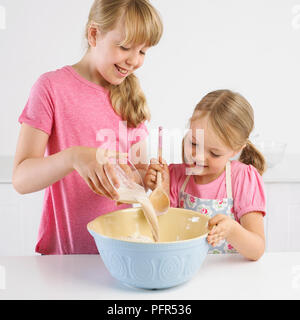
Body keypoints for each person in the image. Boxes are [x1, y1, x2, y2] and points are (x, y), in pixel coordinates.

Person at [12, 0, 163, 255]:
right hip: (68, 259)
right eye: (125, 47)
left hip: (122, 252)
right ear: (94, 34)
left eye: (143, 52)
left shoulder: (131, 98)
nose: (134, 61)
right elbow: (21, 179)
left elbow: (135, 179)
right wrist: (73, 157)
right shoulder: (52, 88)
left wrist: (147, 178)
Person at [145, 89, 266, 261]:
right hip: (183, 271)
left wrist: (232, 230)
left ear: (236, 150)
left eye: (215, 153)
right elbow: (160, 235)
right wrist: (161, 191)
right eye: (194, 143)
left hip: (229, 276)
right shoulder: (174, 176)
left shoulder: (242, 179)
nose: (199, 156)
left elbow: (257, 250)